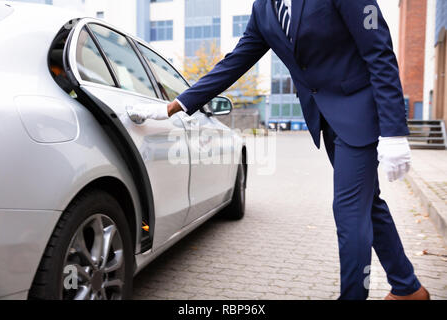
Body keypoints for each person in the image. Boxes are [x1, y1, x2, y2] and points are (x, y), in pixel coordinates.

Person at [141, 0, 429, 300]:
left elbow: (379, 53)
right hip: (327, 118)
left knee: (349, 210)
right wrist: (176, 106)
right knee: (369, 204)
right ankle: (408, 288)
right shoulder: (264, 8)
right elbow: (235, 61)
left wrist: (394, 131)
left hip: (362, 110)